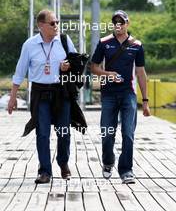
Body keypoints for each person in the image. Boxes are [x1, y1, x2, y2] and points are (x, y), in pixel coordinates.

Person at [8, 9, 77, 183]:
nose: (56, 26)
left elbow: (77, 62)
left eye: (57, 22)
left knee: (64, 132)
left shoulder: (64, 40)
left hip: (61, 92)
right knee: (43, 133)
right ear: (41, 25)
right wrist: (13, 97)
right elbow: (19, 72)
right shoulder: (29, 45)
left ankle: (63, 163)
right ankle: (45, 171)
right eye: (52, 23)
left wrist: (68, 66)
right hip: (40, 93)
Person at [91, 10, 151, 184]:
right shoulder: (104, 43)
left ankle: (126, 170)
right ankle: (108, 162)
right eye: (115, 22)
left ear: (127, 23)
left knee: (128, 133)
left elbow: (141, 73)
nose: (118, 25)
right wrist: (107, 73)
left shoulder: (137, 45)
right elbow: (93, 67)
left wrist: (145, 101)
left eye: (121, 22)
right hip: (108, 94)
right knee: (107, 133)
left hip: (128, 95)